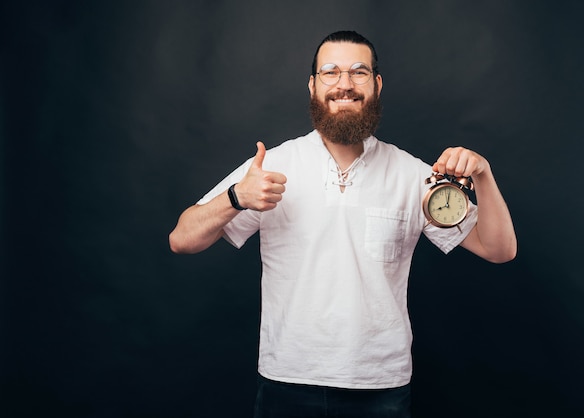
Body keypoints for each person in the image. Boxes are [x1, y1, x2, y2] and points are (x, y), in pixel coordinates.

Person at [169, 30, 516, 418]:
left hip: (381, 388)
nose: (344, 85)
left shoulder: (412, 174)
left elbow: (499, 249)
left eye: (359, 72)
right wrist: (236, 197)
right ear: (313, 86)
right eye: (331, 73)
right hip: (288, 380)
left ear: (377, 85)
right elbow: (182, 239)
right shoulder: (274, 166)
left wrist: (483, 175)